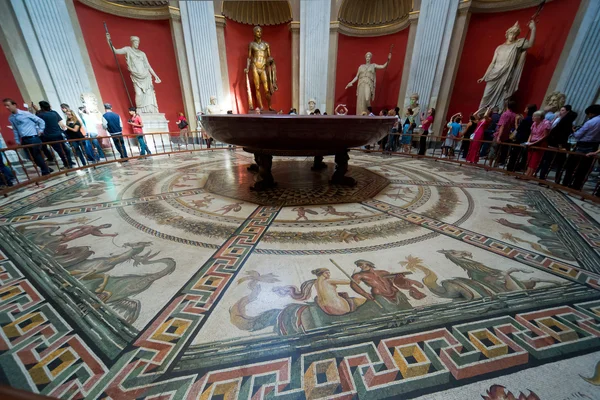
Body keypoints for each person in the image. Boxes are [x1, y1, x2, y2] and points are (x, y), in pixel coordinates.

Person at [4, 98, 51, 175]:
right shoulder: (11, 118)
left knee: (37, 155)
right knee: (30, 157)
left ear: (14, 105)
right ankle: (46, 168)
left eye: (8, 105)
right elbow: (15, 130)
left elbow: (40, 121)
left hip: (33, 138)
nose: (7, 107)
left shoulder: (25, 114)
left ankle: (45, 171)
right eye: (5, 106)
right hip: (24, 139)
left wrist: (41, 130)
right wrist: (17, 141)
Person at [562, 104, 600, 190]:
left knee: (571, 165)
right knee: (583, 168)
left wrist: (573, 131)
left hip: (582, 145)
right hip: (594, 145)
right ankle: (576, 185)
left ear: (591, 113)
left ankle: (566, 182)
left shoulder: (590, 122)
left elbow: (578, 135)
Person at [538, 105, 577, 182]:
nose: (561, 112)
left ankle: (545, 177)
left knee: (549, 161)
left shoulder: (565, 122)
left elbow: (555, 132)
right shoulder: (563, 122)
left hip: (556, 144)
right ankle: (551, 178)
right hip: (557, 144)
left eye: (563, 110)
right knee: (550, 161)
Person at [36, 101, 75, 168]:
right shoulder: (54, 113)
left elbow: (38, 121)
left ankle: (66, 163)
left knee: (59, 150)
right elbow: (61, 123)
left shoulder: (40, 115)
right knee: (65, 148)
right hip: (58, 133)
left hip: (49, 135)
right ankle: (70, 162)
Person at [507, 104, 536, 172]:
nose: (525, 109)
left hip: (520, 138)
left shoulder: (527, 119)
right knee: (523, 155)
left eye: (526, 108)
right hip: (527, 138)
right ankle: (519, 167)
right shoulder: (532, 119)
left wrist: (516, 122)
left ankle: (511, 167)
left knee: (515, 154)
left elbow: (519, 129)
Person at [524, 110, 550, 176]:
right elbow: (531, 134)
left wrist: (534, 143)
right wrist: (528, 142)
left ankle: (530, 175)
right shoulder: (534, 123)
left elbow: (545, 136)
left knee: (535, 160)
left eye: (534, 116)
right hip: (532, 142)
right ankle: (527, 173)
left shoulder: (546, 123)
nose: (532, 117)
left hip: (540, 143)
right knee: (529, 159)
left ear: (539, 117)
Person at [492, 100, 517, 166]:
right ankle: (496, 163)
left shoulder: (505, 114)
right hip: (507, 135)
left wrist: (499, 137)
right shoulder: (514, 115)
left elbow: (502, 126)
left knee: (494, 149)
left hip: (499, 134)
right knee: (500, 151)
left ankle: (490, 165)